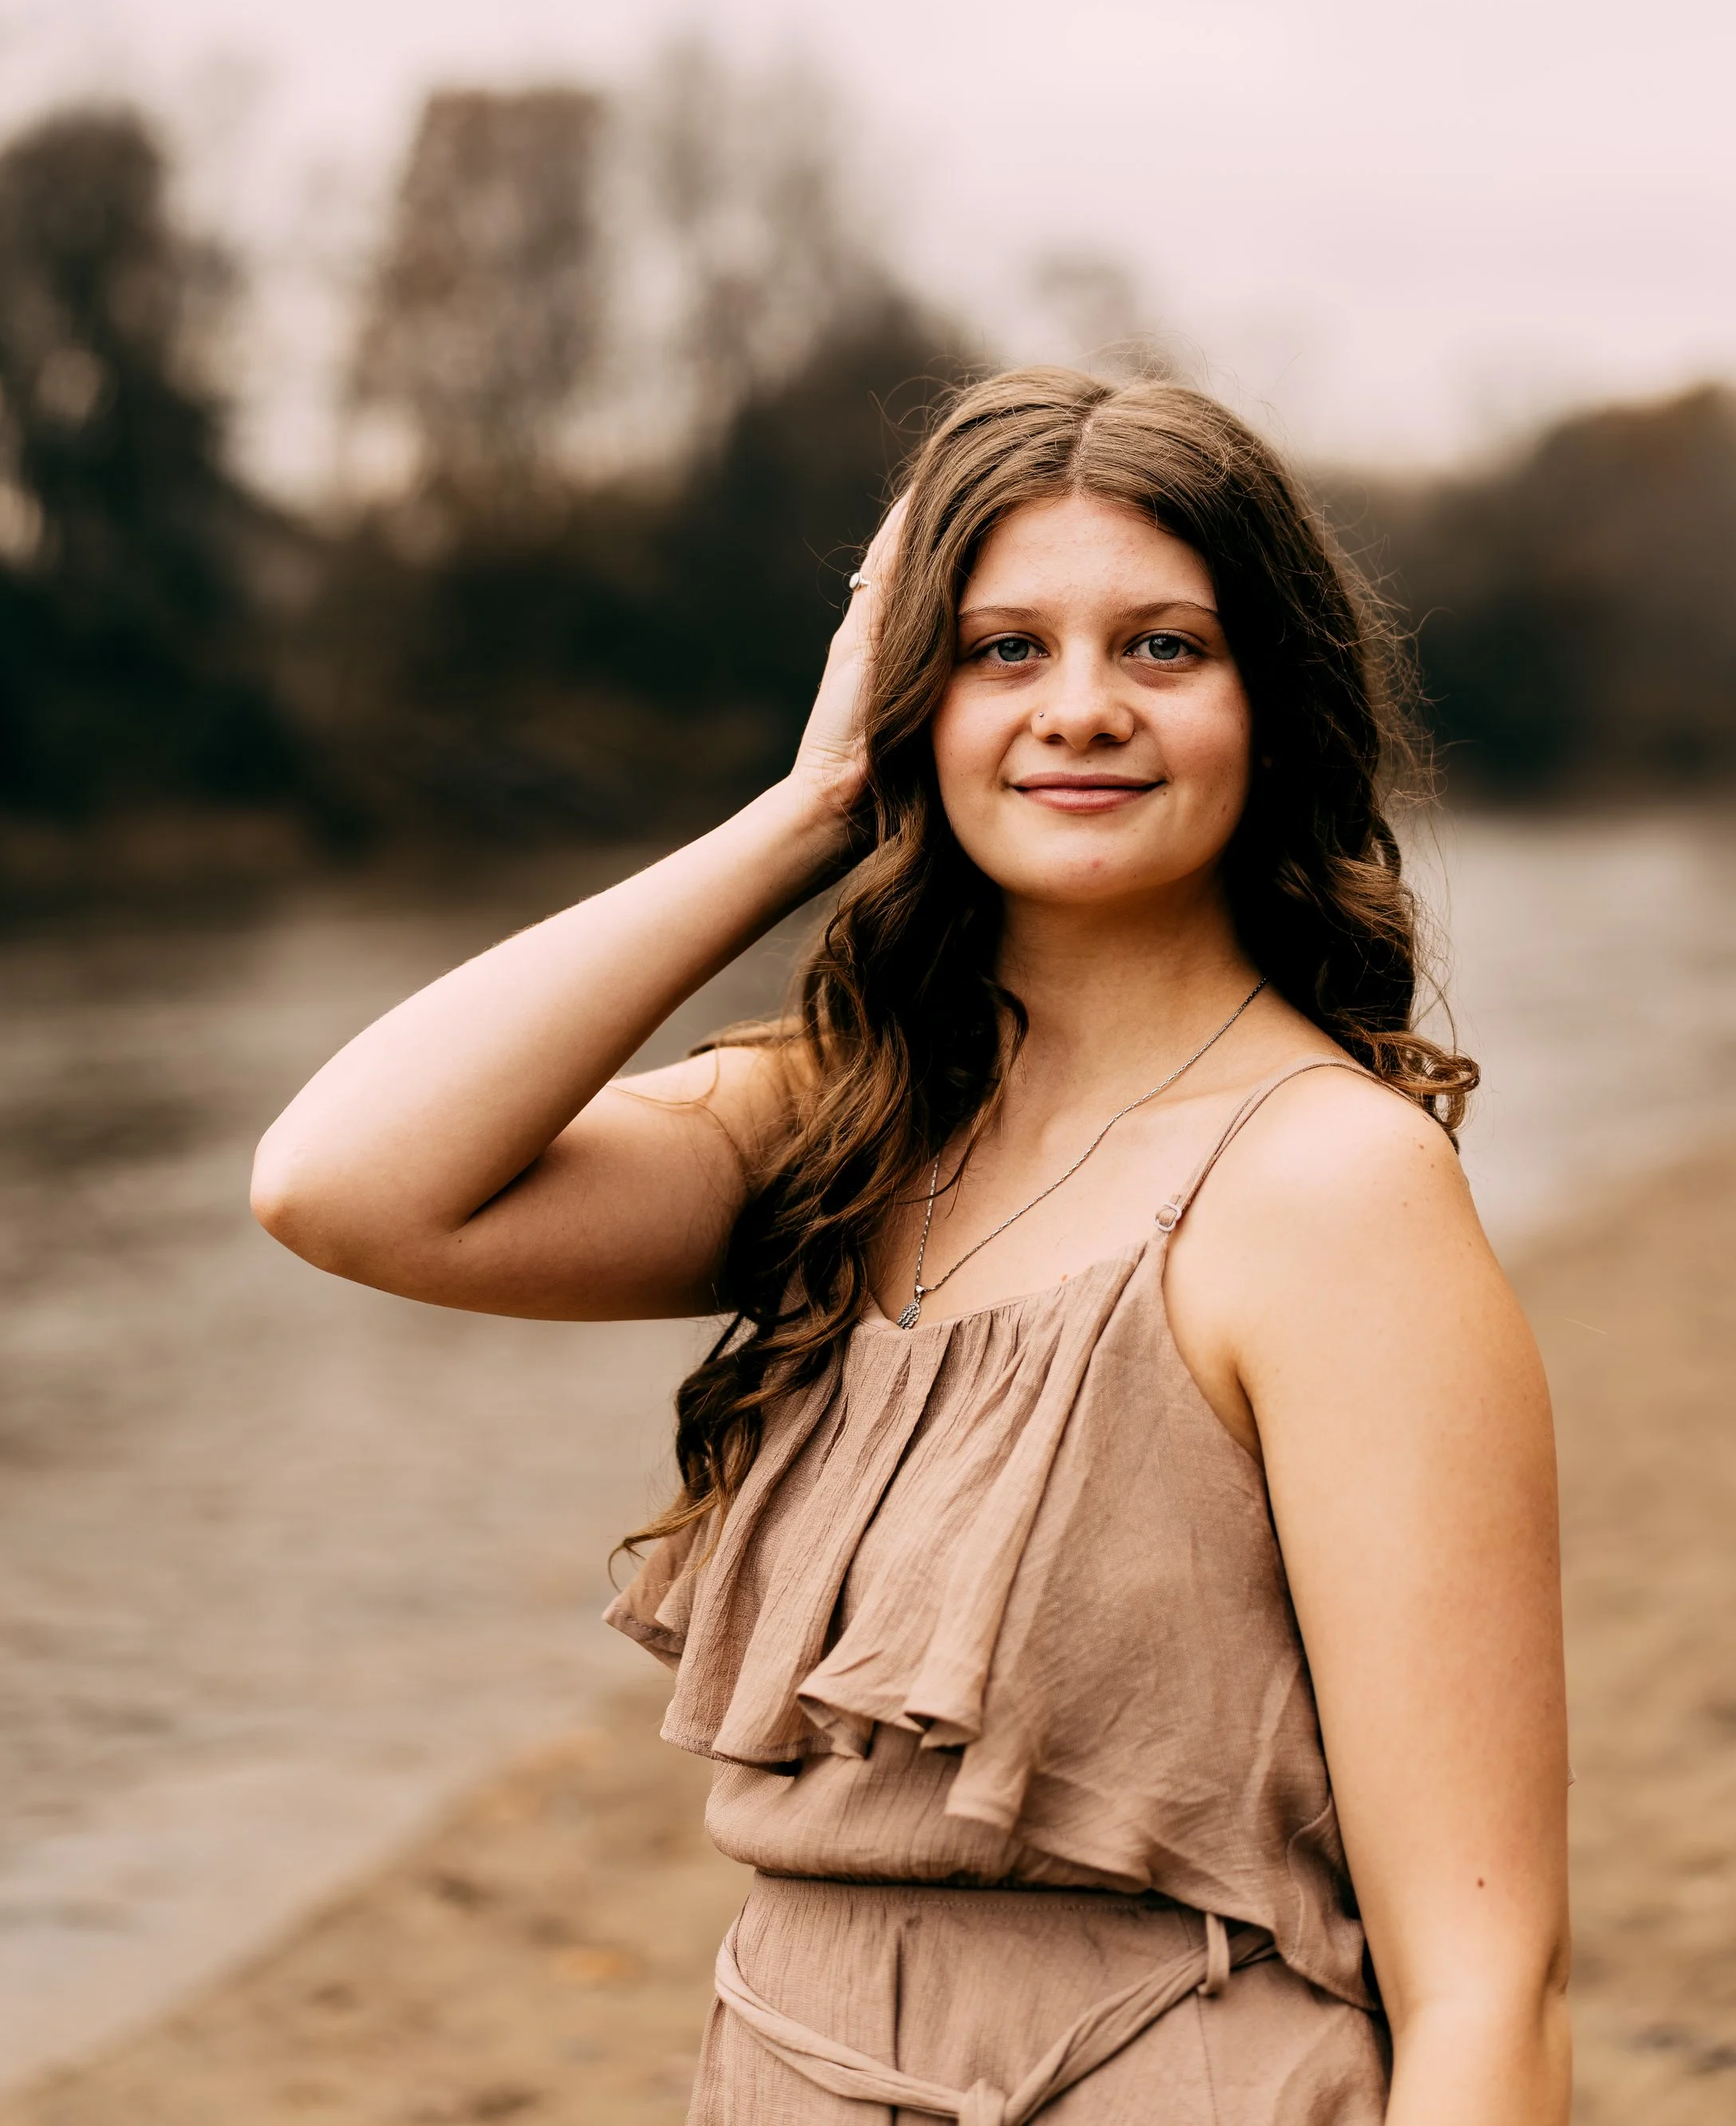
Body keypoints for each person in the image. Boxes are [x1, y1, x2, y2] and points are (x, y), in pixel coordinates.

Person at [254, 368, 1570, 2125]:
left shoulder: (1328, 1190)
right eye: (1001, 648)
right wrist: (801, 811)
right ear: (904, 697)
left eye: (1163, 647)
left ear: (1271, 703)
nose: (1080, 708)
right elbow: (341, 1184)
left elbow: (1486, 1978)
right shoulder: (841, 1131)